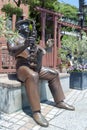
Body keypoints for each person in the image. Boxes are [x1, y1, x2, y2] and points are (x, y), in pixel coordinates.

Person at [7, 19, 75, 127]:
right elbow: (11, 51)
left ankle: (59, 101)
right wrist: (25, 45)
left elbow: (39, 50)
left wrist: (46, 48)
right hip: (22, 67)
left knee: (54, 73)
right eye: (24, 25)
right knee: (33, 76)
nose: (27, 27)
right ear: (19, 27)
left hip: (34, 66)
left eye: (28, 26)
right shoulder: (13, 39)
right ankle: (36, 112)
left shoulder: (31, 39)